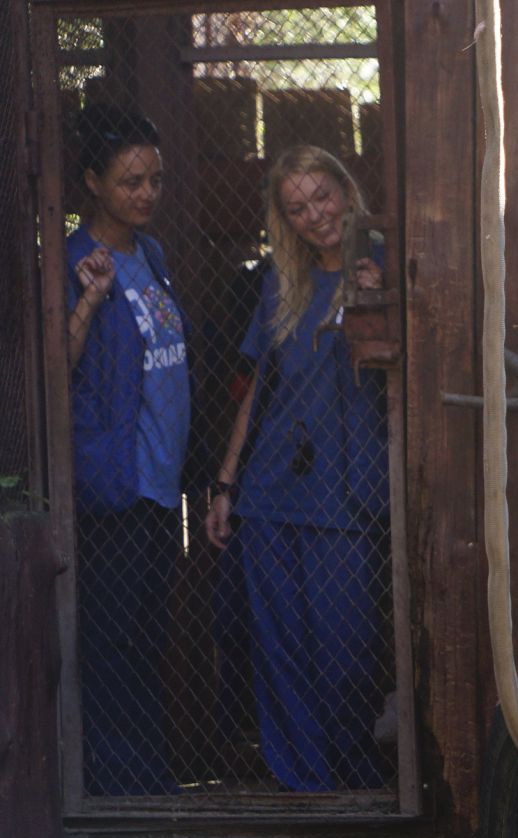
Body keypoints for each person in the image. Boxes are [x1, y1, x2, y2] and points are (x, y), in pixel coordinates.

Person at [204, 145, 390, 792]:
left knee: (348, 650)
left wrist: (380, 306)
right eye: (297, 208)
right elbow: (256, 389)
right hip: (271, 491)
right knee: (280, 651)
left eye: (322, 196)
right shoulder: (283, 280)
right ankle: (305, 784)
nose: (315, 216)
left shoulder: (385, 262)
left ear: (346, 189)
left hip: (350, 493)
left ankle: (357, 779)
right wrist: (227, 483)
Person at [65, 103, 189, 796]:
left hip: (158, 483)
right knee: (112, 642)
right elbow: (57, 364)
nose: (146, 193)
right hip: (115, 482)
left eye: (154, 179)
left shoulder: (154, 254)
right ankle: (117, 785)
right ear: (93, 182)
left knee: (146, 638)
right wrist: (88, 300)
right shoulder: (78, 259)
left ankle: (151, 776)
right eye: (130, 181)